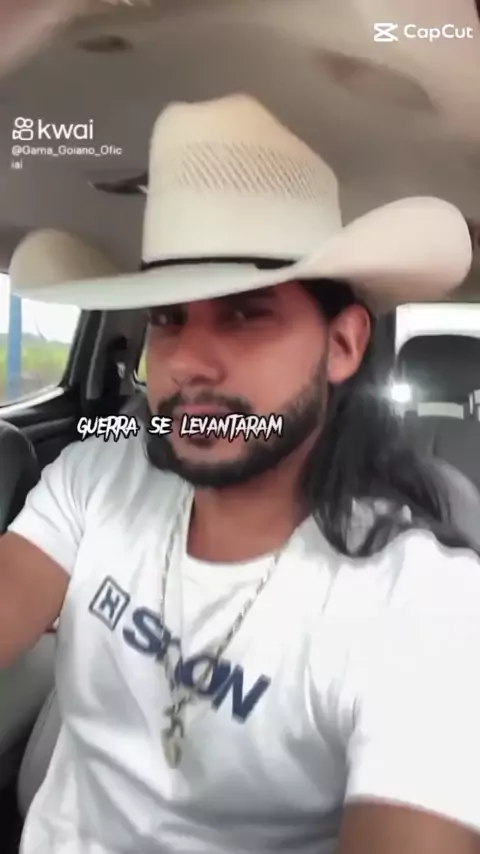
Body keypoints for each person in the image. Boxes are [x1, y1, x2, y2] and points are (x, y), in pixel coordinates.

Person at [3, 93, 479, 854]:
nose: (187, 362)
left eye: (245, 314)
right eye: (168, 318)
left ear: (343, 346)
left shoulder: (423, 602)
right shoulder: (98, 476)